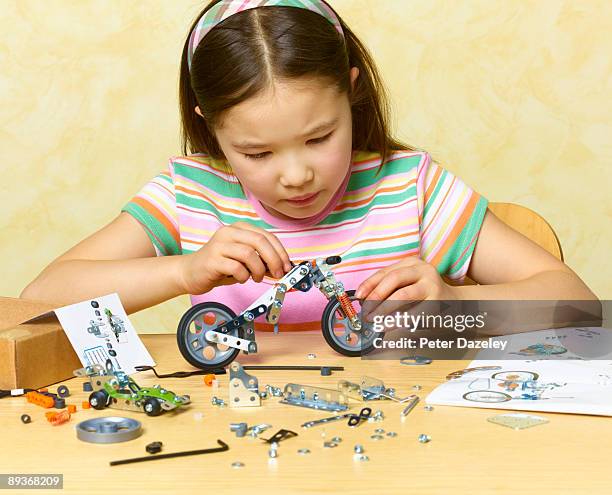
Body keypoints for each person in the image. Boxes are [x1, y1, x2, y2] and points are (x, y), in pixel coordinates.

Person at [21, 0, 596, 333]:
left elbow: (578, 304)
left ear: (352, 95)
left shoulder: (411, 189)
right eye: (257, 153)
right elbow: (41, 297)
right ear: (210, 126)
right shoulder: (191, 194)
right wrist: (182, 273)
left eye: (319, 137)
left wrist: (455, 302)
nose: (295, 175)